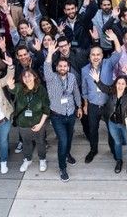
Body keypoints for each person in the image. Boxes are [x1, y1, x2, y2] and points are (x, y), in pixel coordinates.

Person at [43, 54, 83, 182]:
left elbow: (76, 92)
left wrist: (80, 106)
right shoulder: (51, 78)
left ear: (68, 67)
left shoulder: (72, 77)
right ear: (57, 67)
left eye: (65, 66)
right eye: (60, 66)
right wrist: (49, 53)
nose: (62, 68)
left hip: (70, 113)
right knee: (63, 141)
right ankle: (62, 168)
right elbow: (46, 67)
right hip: (57, 116)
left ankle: (67, 154)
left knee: (69, 137)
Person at [103, 75, 127, 174]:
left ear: (126, 85)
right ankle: (119, 161)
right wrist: (96, 80)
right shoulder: (112, 92)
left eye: (123, 84)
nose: (120, 86)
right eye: (118, 83)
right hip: (113, 123)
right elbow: (102, 87)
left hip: (126, 124)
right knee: (117, 142)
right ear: (115, 84)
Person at [13, 68, 50, 173]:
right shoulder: (20, 88)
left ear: (35, 76)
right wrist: (10, 84)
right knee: (26, 142)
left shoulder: (41, 89)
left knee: (40, 142)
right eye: (24, 76)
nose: (27, 78)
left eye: (29, 75)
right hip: (23, 123)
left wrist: (40, 124)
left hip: (38, 122)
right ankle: (27, 159)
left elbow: (46, 108)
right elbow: (12, 88)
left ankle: (42, 159)